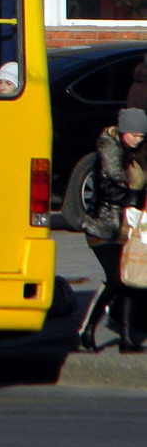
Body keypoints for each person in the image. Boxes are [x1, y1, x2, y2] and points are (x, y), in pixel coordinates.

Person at [79, 107, 147, 353]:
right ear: (123, 131)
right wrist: (136, 196)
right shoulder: (108, 152)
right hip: (103, 227)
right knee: (116, 280)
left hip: (127, 228)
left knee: (130, 282)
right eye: (135, 134)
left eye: (142, 135)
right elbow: (108, 191)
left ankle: (127, 340)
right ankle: (86, 329)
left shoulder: (136, 154)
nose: (138, 139)